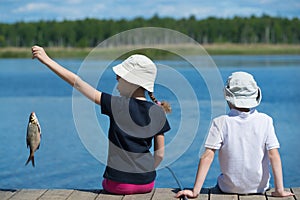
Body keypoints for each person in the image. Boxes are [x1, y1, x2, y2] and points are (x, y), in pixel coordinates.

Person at [31, 45, 171, 195]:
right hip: (147, 184)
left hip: (119, 185)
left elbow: (77, 83)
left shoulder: (116, 105)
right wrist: (144, 175)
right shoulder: (158, 111)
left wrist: (46, 60)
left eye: (119, 78)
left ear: (132, 81)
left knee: (105, 182)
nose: (116, 82)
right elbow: (160, 155)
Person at [176, 71, 294, 198]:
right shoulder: (266, 121)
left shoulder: (220, 122)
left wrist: (195, 191)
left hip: (228, 188)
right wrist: (280, 190)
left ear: (228, 96)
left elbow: (207, 157)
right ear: (254, 95)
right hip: (259, 188)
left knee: (219, 183)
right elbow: (274, 155)